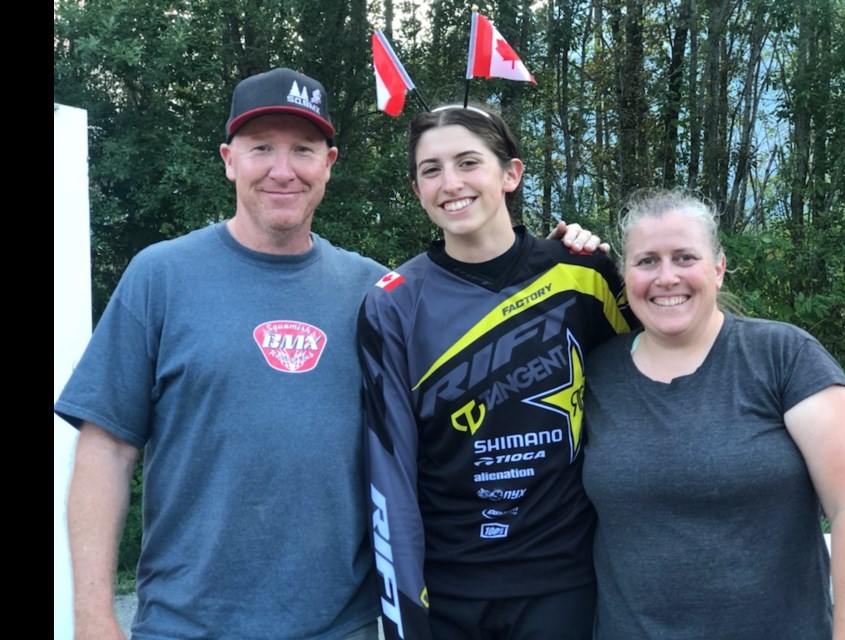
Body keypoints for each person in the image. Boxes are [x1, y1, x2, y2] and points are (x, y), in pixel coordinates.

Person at [54, 69, 601, 639]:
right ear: (228, 159)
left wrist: (572, 258)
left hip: (347, 625)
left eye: (303, 150)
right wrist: (93, 617)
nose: (282, 169)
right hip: (188, 624)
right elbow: (106, 452)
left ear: (329, 164)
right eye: (261, 147)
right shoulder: (160, 277)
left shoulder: (379, 295)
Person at [358, 104, 635, 640]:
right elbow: (389, 473)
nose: (450, 183)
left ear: (510, 173)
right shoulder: (392, 303)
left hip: (565, 582)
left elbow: (654, 392)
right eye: (430, 170)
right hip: (449, 592)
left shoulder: (585, 274)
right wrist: (403, 618)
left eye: (468, 162)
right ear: (416, 190)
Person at [582, 189, 845, 640]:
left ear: (718, 269)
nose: (666, 277)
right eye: (646, 261)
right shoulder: (594, 372)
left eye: (685, 257)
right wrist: (546, 258)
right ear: (625, 276)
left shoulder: (784, 356)